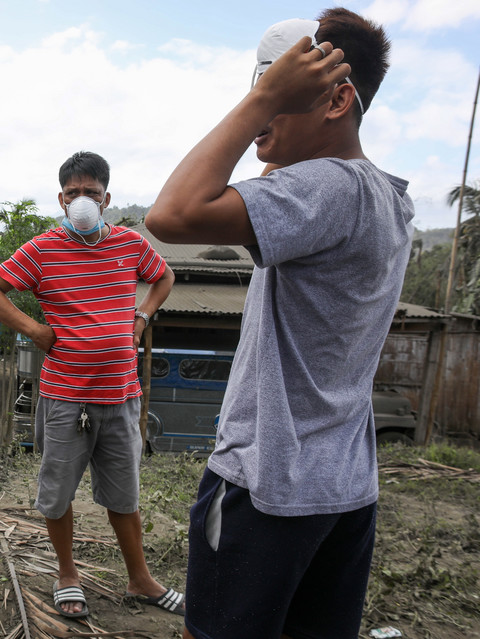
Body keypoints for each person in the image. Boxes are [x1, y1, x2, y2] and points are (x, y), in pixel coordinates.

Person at [144, 9, 411, 639]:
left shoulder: (323, 188)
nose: (261, 106)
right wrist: (276, 111)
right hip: (343, 489)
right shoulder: (385, 194)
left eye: (279, 92)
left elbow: (172, 213)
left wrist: (262, 99)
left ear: (337, 98)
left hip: (267, 486)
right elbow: (271, 175)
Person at [0, 151, 179, 618]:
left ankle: (140, 579)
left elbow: (164, 276)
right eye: (73, 193)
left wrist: (140, 319)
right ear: (61, 199)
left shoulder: (131, 245)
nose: (82, 201)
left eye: (91, 192)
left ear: (107, 198)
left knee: (124, 497)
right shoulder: (41, 249)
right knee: (57, 495)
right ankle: (67, 574)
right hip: (65, 397)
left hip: (120, 397)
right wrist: (34, 330)